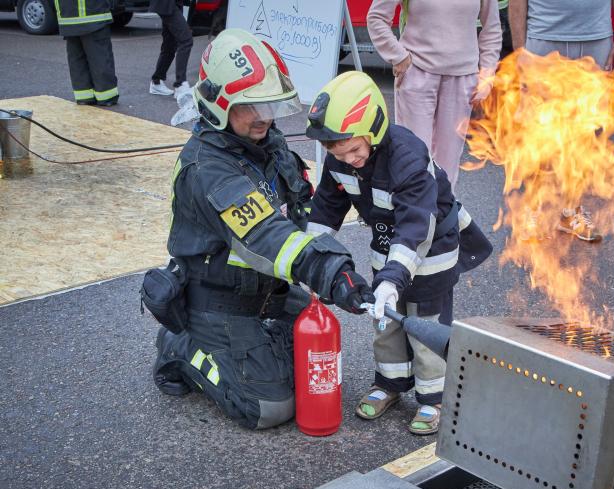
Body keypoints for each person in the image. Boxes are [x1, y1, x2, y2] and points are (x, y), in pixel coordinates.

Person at [148, 29, 373, 429]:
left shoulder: (267, 144)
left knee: (316, 357)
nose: (265, 116)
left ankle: (252, 347)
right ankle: (182, 345)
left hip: (267, 291)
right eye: (252, 106)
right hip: (219, 299)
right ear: (220, 104)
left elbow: (302, 205)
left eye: (269, 104)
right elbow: (266, 236)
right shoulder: (209, 170)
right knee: (271, 407)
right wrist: (329, 269)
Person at [304, 71, 493, 435]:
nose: (351, 161)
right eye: (340, 154)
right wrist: (312, 258)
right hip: (387, 251)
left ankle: (433, 398)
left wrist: (392, 279)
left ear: (373, 130)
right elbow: (326, 209)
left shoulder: (407, 156)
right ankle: (389, 384)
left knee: (426, 330)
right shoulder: (341, 160)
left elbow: (416, 226)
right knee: (386, 325)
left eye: (356, 151)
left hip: (429, 253)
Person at [508, 0, 614, 242]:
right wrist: (519, 51)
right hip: (544, 40)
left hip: (596, 41)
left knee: (585, 135)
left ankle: (569, 210)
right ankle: (534, 209)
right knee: (540, 133)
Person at [367, 0, 502, 189]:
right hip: (417, 74)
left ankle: (443, 215)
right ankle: (413, 213)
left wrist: (487, 74)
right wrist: (398, 56)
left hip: (462, 79)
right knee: (413, 159)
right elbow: (376, 17)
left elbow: (492, 28)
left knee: (447, 166)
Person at [55, 0, 119, 106]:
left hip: (67, 16)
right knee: (99, 57)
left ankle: (84, 96)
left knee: (77, 59)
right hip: (93, 14)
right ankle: (107, 97)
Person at [148, 0, 194, 102]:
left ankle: (157, 81)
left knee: (170, 43)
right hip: (168, 3)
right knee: (186, 40)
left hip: (173, 3)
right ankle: (180, 84)